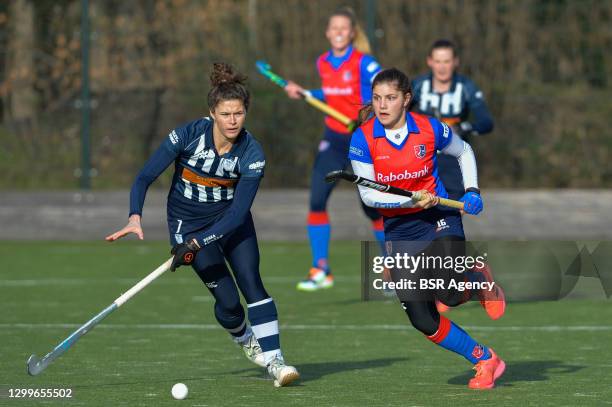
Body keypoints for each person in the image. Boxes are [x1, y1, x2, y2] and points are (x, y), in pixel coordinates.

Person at [105, 63, 299, 388]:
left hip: (231, 225)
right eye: (225, 114)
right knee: (228, 303)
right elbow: (144, 177)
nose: (232, 121)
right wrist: (134, 216)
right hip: (187, 226)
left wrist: (200, 243)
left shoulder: (252, 153)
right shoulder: (186, 136)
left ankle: (276, 362)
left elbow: (238, 214)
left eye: (238, 113)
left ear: (245, 112)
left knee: (253, 285)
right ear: (212, 113)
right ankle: (244, 338)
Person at [349, 68, 505, 389]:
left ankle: (476, 279)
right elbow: (369, 193)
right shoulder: (363, 138)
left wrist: (472, 190)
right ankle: (484, 359)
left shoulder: (429, 129)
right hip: (400, 229)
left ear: (406, 99)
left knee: (447, 289)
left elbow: (464, 151)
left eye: (390, 98)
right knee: (423, 319)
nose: (382, 105)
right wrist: (405, 203)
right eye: (377, 98)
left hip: (438, 217)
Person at [283, 6, 384, 291]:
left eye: (344, 28)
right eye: (334, 28)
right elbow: (330, 94)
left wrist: (364, 116)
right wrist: (306, 93)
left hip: (363, 140)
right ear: (328, 33)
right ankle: (321, 268)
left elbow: (382, 93)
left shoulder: (366, 63)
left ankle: (392, 269)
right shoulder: (323, 62)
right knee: (317, 200)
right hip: (334, 138)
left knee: (373, 209)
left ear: (351, 33)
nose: (338, 32)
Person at [411, 39, 494, 201]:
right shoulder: (419, 85)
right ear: (430, 62)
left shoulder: (467, 87)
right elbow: (399, 110)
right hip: (421, 154)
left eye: (447, 61)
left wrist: (463, 127)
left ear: (455, 62)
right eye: (438, 61)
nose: (442, 67)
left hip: (453, 156)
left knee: (451, 203)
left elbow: (486, 122)